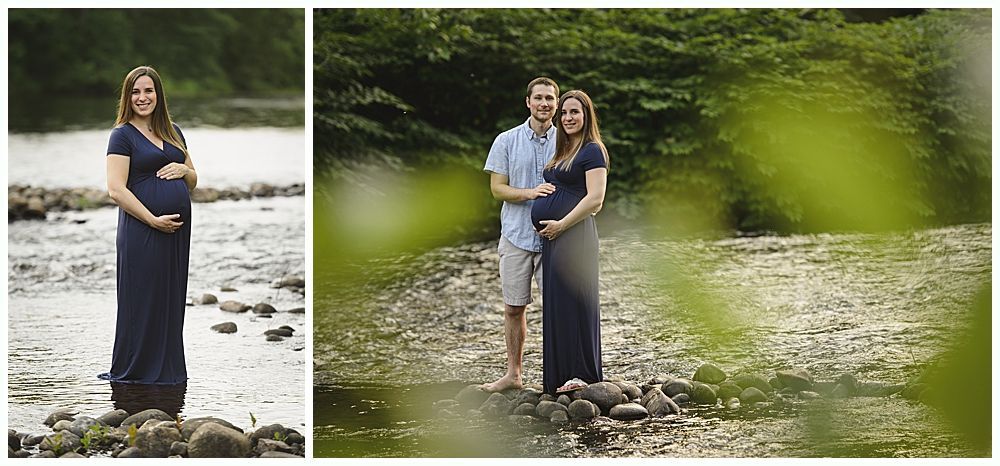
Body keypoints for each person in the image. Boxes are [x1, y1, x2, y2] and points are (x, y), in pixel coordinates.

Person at [100, 66, 197, 385]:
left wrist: (183, 171)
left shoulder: (174, 132)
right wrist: (153, 220)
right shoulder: (122, 135)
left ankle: (167, 373)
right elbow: (116, 189)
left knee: (169, 298)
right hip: (142, 229)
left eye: (148, 91)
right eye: (136, 92)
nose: (142, 98)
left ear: (159, 94)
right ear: (128, 98)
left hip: (176, 233)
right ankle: (137, 375)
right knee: (142, 299)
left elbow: (194, 179)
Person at [481, 77, 560, 392]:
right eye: (538, 98)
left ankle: (561, 375)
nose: (544, 104)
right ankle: (514, 374)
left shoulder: (568, 140)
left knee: (558, 309)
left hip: (556, 238)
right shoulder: (506, 140)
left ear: (556, 103)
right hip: (515, 236)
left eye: (549, 99)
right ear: (528, 102)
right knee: (514, 307)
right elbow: (497, 189)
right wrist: (530, 193)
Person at [530, 90, 609, 394]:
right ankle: (557, 376)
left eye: (574, 112)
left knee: (576, 301)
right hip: (555, 237)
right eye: (563, 113)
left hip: (574, 234)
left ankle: (581, 373)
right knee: (558, 304)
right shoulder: (564, 149)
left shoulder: (592, 150)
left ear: (586, 115)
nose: (567, 118)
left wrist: (561, 223)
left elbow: (596, 199)